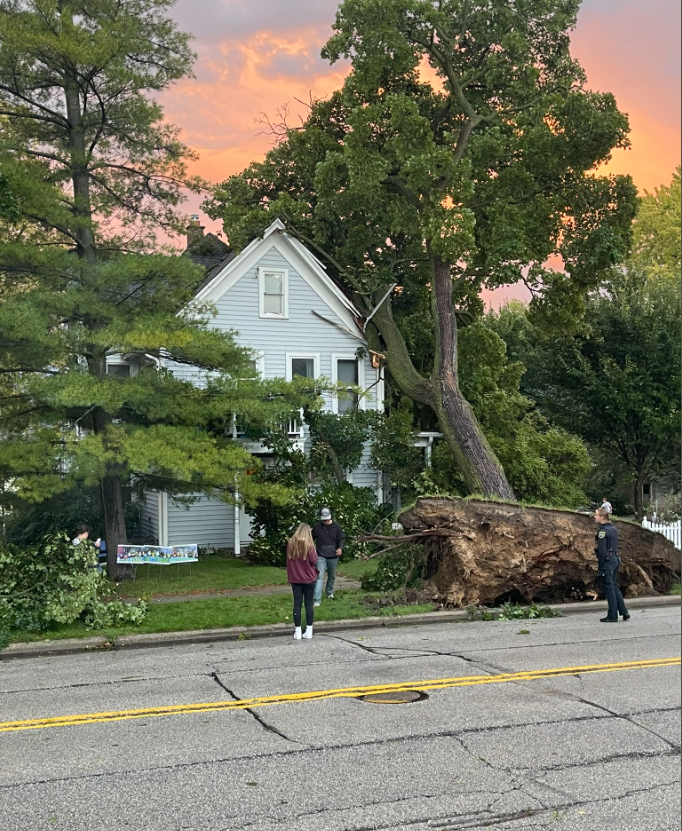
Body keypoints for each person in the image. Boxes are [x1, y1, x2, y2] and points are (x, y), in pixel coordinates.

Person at [594, 507, 630, 623]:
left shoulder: (603, 531)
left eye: (596, 515)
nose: (594, 517)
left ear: (602, 517)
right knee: (614, 586)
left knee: (609, 587)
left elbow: (602, 551)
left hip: (607, 561)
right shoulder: (613, 528)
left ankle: (612, 615)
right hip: (615, 559)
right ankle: (624, 612)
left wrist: (601, 565)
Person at [286, 523, 319, 641]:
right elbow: (314, 560)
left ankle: (298, 631)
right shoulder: (309, 545)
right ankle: (309, 631)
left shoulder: (291, 544)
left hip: (295, 578)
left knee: (297, 604)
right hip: (309, 578)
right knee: (309, 604)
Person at [312, 507, 345, 607]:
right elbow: (310, 539)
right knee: (319, 576)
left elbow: (342, 538)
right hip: (321, 556)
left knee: (332, 576)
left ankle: (329, 593)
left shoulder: (337, 527)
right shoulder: (317, 527)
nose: (325, 521)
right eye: (324, 519)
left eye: (327, 518)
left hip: (333, 556)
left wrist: (340, 548)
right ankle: (317, 599)